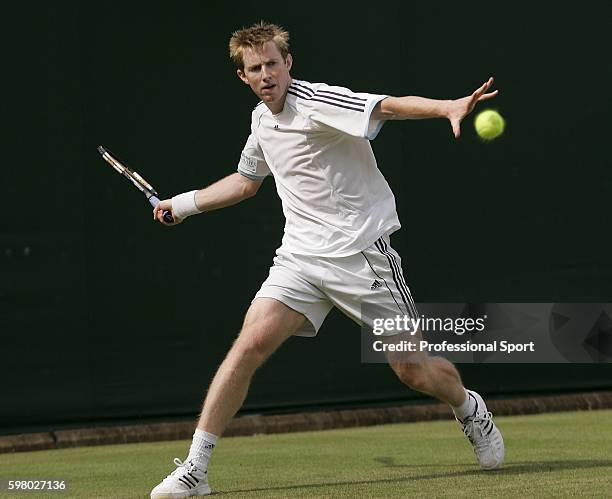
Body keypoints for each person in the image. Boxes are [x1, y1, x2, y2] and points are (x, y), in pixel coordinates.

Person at [150, 21, 504, 498]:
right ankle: (196, 469)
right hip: (300, 258)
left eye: (273, 63)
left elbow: (384, 107)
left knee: (413, 371)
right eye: (256, 68)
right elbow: (246, 181)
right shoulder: (261, 121)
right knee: (248, 344)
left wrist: (447, 107)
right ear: (244, 77)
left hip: (361, 256)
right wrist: (185, 204)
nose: (267, 74)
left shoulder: (316, 101)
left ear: (288, 63)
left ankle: (468, 408)